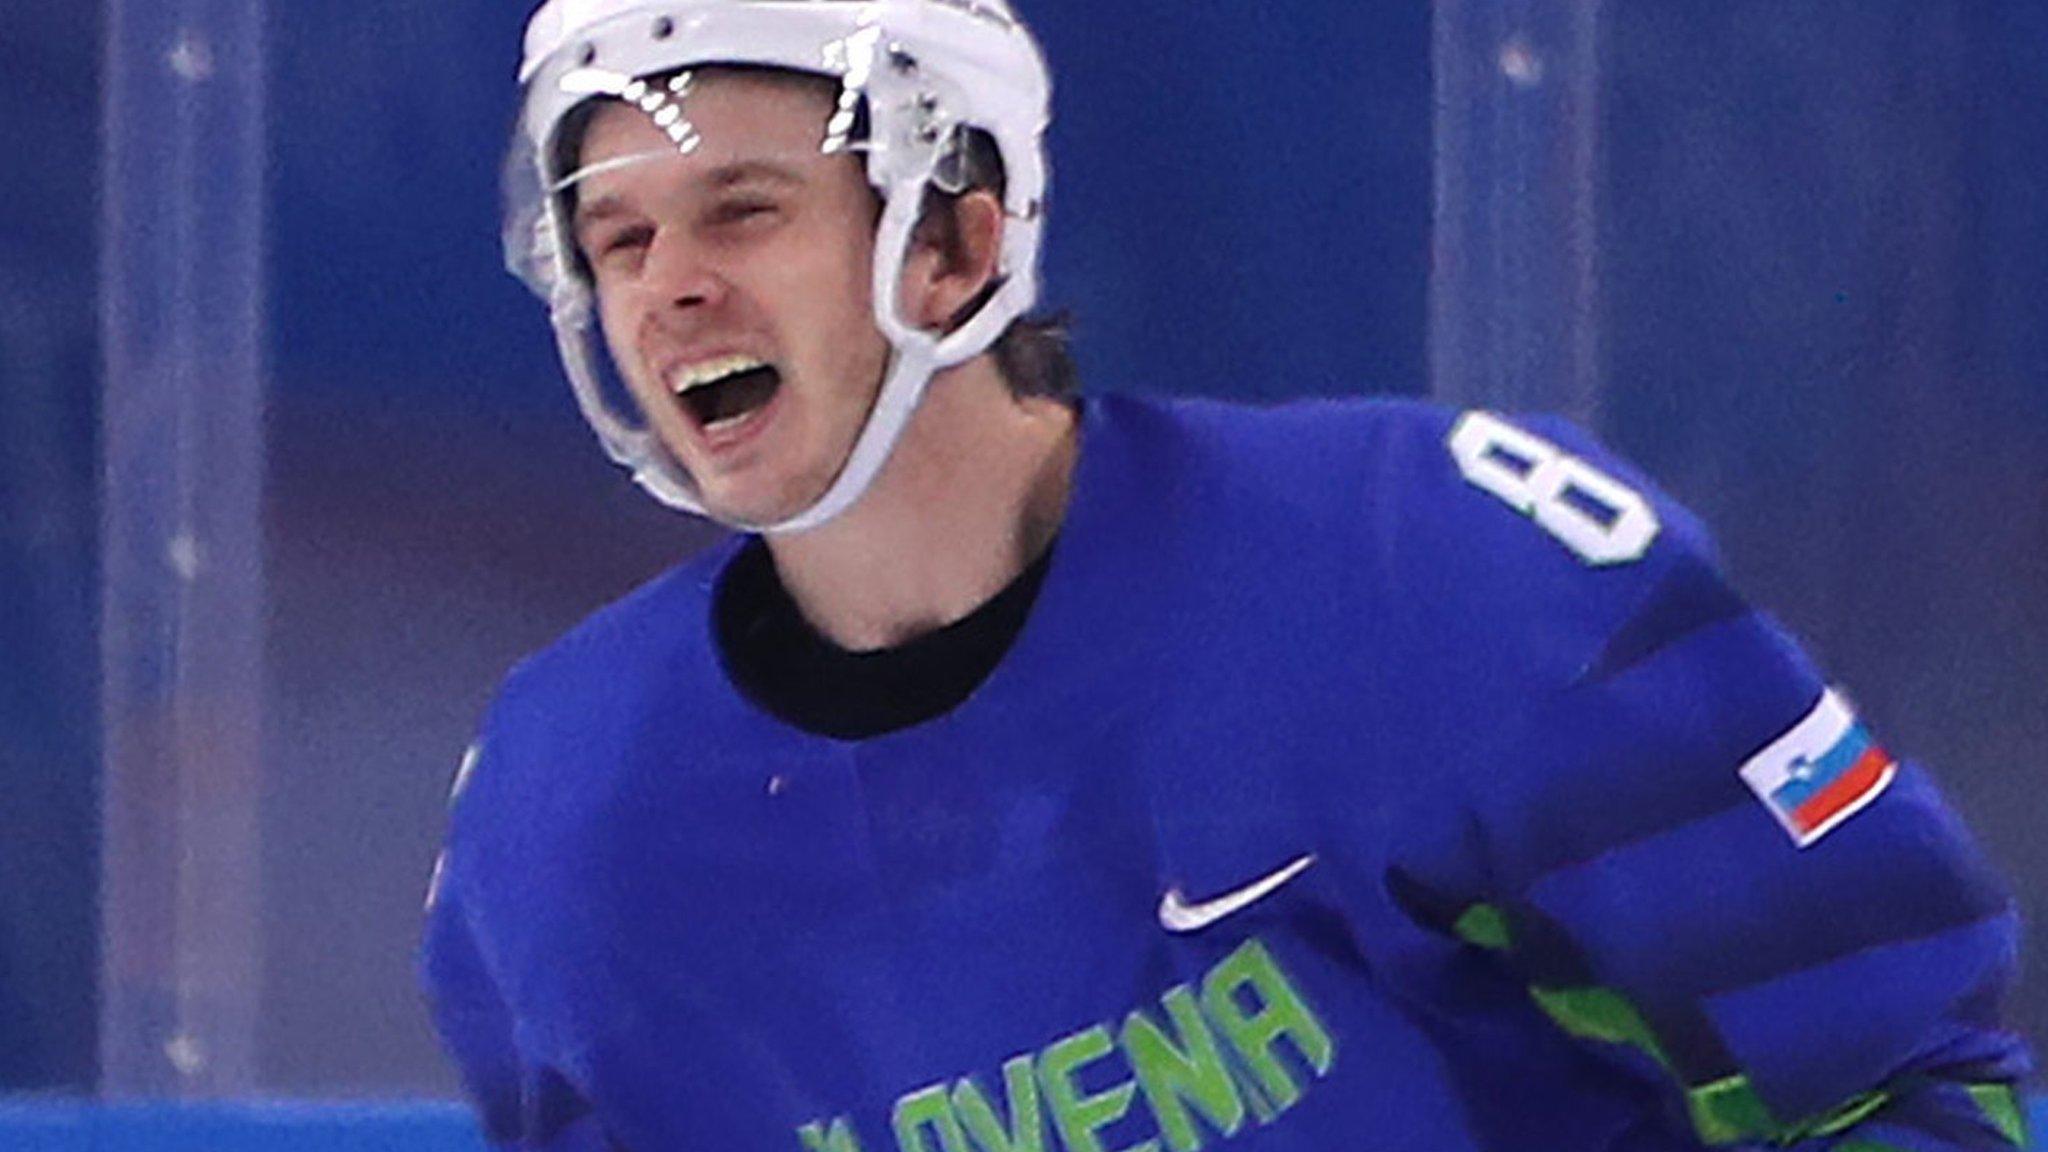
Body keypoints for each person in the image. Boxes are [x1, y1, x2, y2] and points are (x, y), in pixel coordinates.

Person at [421, 0, 2035, 1148]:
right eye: (620, 241)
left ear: (958, 244)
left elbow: (1915, 1083)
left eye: (744, 211)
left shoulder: (1439, 572)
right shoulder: (565, 824)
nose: (671, 291)